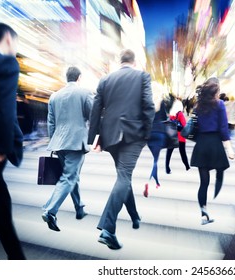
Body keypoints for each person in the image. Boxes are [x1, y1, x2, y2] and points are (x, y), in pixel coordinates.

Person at [88, 50, 155, 250]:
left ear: (121, 61)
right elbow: (149, 106)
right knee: (124, 177)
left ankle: (134, 216)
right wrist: (147, 134)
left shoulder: (105, 80)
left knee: (123, 177)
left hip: (110, 136)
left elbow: (96, 110)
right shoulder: (142, 76)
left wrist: (93, 139)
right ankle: (108, 229)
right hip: (133, 134)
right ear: (134, 62)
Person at [42, 67, 93, 231]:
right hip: (76, 143)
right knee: (69, 178)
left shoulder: (54, 96)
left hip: (59, 143)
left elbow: (51, 122)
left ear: (67, 78)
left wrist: (54, 142)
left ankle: (79, 208)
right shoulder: (85, 93)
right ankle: (50, 210)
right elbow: (93, 116)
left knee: (71, 175)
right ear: (79, 77)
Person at [0, 23, 26, 259]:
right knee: (1, 210)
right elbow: (4, 110)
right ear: (7, 39)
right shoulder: (6, 64)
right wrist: (2, 149)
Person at [191, 78, 235, 225]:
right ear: (216, 91)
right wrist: (229, 149)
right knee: (221, 168)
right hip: (215, 143)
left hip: (202, 144)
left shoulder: (198, 106)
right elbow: (223, 128)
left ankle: (203, 213)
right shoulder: (220, 104)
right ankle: (218, 185)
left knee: (203, 183)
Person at [143, 95, 170, 198]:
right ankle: (149, 181)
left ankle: (156, 181)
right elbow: (165, 117)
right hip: (159, 132)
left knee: (154, 160)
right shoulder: (161, 102)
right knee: (155, 160)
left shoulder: (147, 101)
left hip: (150, 133)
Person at [165, 98, 190, 174]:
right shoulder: (180, 114)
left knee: (169, 153)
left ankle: (167, 168)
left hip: (172, 136)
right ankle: (187, 166)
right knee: (183, 153)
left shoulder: (171, 115)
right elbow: (184, 126)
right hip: (180, 137)